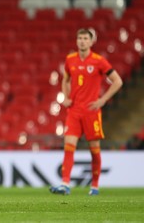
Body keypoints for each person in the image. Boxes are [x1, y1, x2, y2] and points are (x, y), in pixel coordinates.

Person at [50, 28, 123, 196]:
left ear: (91, 42)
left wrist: (103, 100)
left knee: (94, 149)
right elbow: (65, 79)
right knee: (69, 146)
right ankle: (65, 184)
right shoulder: (70, 59)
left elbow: (117, 81)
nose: (82, 41)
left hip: (91, 112)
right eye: (80, 38)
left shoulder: (99, 61)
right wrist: (66, 97)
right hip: (74, 110)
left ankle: (95, 185)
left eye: (85, 38)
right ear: (76, 41)